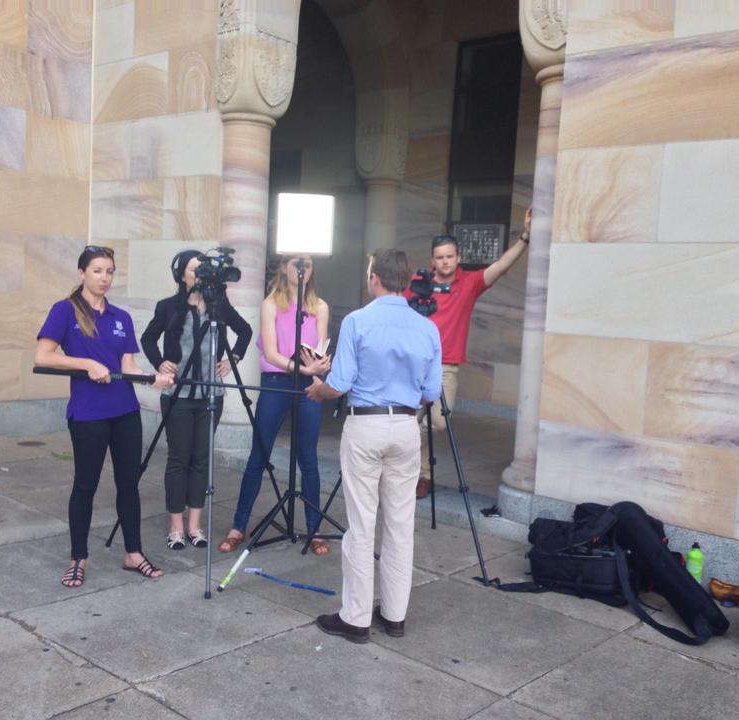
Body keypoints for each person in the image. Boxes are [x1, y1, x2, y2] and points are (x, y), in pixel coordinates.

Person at [306, 249, 442, 643]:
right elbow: (430, 392)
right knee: (400, 526)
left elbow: (340, 383)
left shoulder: (358, 321)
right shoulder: (427, 328)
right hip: (405, 427)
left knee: (361, 524)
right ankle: (395, 616)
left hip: (365, 425)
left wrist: (318, 391)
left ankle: (356, 618)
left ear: (374, 278)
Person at [35, 245, 174, 588]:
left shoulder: (120, 317)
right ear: (82, 273)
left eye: (109, 271)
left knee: (129, 485)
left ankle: (133, 553)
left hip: (125, 412)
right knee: (86, 485)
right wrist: (87, 364)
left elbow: (127, 366)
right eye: (97, 270)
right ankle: (78, 558)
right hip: (88, 415)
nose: (104, 277)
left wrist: (151, 378)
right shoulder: (64, 311)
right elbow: (44, 356)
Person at [406, 206, 531, 498]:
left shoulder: (469, 283)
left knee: (435, 423)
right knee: (407, 420)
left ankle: (413, 461)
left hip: (446, 366)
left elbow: (501, 267)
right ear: (432, 261)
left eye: (450, 256)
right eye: (440, 257)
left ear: (458, 258)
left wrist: (524, 238)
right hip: (413, 365)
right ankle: (420, 475)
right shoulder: (418, 285)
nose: (445, 261)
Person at [217, 255, 332, 556]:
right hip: (277, 381)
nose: (301, 268)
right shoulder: (271, 303)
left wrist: (320, 364)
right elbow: (270, 351)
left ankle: (313, 527)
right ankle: (238, 526)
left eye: (307, 263)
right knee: (259, 453)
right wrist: (300, 367)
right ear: (283, 267)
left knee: (308, 458)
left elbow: (318, 349)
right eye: (296, 262)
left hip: (308, 383)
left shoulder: (320, 306)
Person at [140, 250, 252, 550]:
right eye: (194, 269)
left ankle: (194, 525)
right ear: (181, 275)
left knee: (202, 459)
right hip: (178, 393)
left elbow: (245, 330)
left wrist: (234, 358)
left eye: (202, 269)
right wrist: (160, 362)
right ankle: (176, 525)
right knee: (179, 458)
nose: (200, 274)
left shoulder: (218, 307)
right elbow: (148, 338)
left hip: (210, 394)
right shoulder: (169, 307)